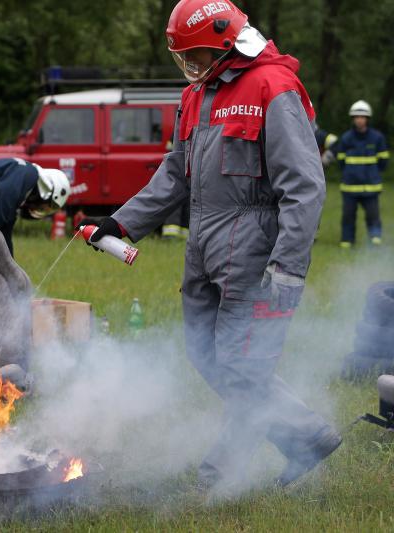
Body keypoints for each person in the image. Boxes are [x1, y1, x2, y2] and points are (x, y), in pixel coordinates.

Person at [82, 0, 341, 493]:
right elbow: (175, 174)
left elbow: (305, 187)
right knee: (205, 354)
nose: (191, 67)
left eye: (197, 55)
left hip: (255, 253)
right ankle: (306, 435)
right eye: (185, 58)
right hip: (202, 248)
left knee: (243, 365)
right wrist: (121, 222)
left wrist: (288, 268)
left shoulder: (274, 87)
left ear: (224, 42)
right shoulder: (196, 96)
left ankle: (218, 477)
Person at [330, 100, 389, 247]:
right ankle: (347, 241)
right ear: (353, 119)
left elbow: (383, 161)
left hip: (371, 187)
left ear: (367, 119)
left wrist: (373, 173)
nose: (359, 120)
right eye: (356, 117)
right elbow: (341, 161)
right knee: (348, 216)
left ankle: (375, 238)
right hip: (350, 187)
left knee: (373, 216)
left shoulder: (377, 138)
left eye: (362, 117)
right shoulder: (346, 138)